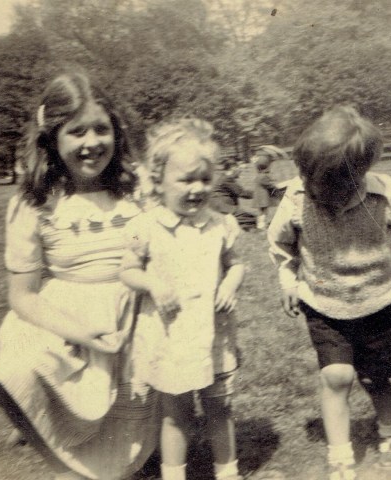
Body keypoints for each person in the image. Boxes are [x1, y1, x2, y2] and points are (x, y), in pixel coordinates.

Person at [0, 72, 159, 480]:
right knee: (19, 366)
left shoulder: (138, 188)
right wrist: (82, 333)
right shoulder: (35, 202)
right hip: (67, 318)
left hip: (135, 313)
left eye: (101, 129)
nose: (91, 143)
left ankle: (134, 443)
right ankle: (48, 423)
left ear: (116, 131)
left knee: (124, 456)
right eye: (76, 132)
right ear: (52, 138)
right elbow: (24, 296)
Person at [268, 106, 391, 480]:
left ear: (358, 175)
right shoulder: (297, 198)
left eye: (331, 186)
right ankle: (340, 453)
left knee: (376, 377)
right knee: (337, 377)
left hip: (377, 300)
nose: (319, 192)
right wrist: (288, 281)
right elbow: (281, 245)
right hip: (324, 303)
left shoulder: (385, 195)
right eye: (310, 180)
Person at [119, 118, 245, 480]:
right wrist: (153, 283)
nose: (196, 189)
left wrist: (231, 282)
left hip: (212, 336)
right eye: (186, 180)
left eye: (204, 180)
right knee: (176, 413)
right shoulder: (145, 227)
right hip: (170, 336)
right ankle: (174, 473)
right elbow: (126, 271)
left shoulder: (221, 224)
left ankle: (228, 471)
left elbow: (236, 264)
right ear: (157, 181)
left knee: (220, 407)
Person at [210, 157, 257, 230]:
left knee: (251, 219)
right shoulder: (227, 179)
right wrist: (260, 193)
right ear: (233, 168)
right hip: (223, 208)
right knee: (251, 219)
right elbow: (242, 193)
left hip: (222, 207)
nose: (241, 171)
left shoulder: (225, 177)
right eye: (239, 168)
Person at [252, 151, 278, 230]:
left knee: (261, 212)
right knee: (263, 212)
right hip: (263, 198)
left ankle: (261, 224)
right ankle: (261, 225)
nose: (270, 168)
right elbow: (269, 185)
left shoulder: (259, 175)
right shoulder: (263, 176)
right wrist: (275, 185)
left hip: (259, 198)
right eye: (269, 167)